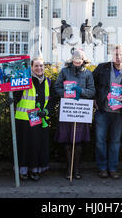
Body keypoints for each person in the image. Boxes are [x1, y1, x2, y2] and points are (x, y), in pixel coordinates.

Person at [54, 49, 95, 179]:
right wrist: (66, 94)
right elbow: (57, 87)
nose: (77, 61)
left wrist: (80, 91)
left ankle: (76, 170)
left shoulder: (88, 73)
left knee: (78, 142)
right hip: (67, 110)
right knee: (67, 142)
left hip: (81, 111)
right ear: (72, 59)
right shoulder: (64, 71)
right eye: (75, 58)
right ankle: (68, 169)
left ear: (83, 60)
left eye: (80, 59)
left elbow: (92, 91)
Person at [92, 45, 122, 179]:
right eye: (115, 54)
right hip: (102, 110)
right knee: (100, 141)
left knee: (115, 142)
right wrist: (94, 99)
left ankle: (113, 168)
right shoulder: (102, 68)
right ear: (111, 55)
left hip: (119, 113)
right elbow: (91, 84)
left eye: (120, 54)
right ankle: (102, 168)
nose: (118, 57)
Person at [13, 57, 55, 181]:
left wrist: (46, 111)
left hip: (40, 119)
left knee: (38, 146)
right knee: (25, 146)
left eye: (41, 66)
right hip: (24, 118)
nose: (39, 68)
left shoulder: (48, 81)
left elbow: (52, 100)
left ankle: (35, 170)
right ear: (31, 67)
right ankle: (23, 171)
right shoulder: (24, 80)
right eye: (36, 66)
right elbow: (15, 96)